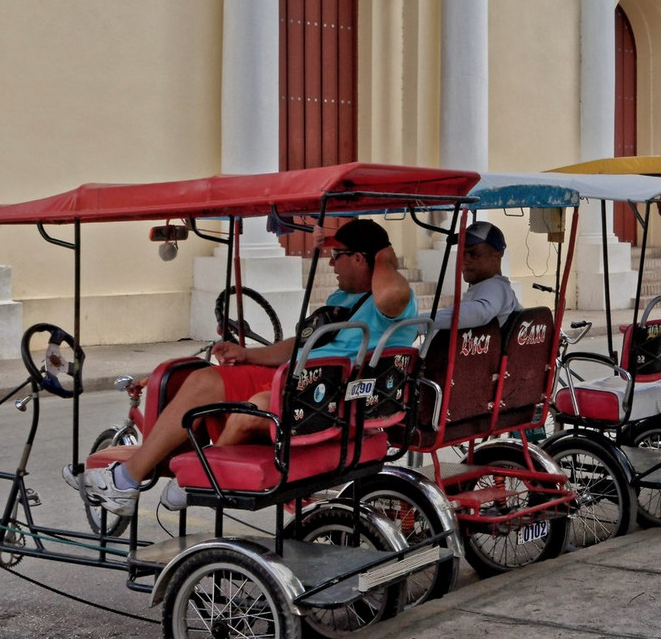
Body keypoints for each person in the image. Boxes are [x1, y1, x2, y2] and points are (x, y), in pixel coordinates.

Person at [65, 218, 416, 516]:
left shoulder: (392, 299)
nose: (330, 265)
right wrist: (249, 356)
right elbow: (303, 345)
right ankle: (170, 470)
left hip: (321, 398)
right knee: (207, 380)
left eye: (337, 257)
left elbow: (387, 294)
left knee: (206, 385)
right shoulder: (346, 299)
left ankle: (127, 479)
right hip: (314, 389)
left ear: (359, 259)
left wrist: (382, 253)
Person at [432, 220, 521, 330]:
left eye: (473, 254)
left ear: (496, 257)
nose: (465, 260)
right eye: (462, 253)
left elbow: (480, 312)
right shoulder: (488, 287)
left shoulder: (496, 287)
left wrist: (421, 322)